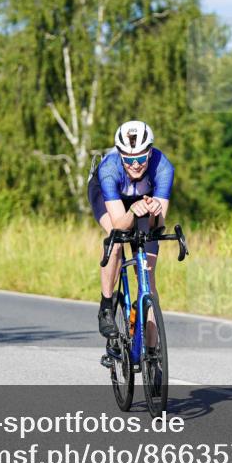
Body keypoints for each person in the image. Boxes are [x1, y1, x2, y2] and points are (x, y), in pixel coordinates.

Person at [87, 120, 174, 340]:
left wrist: (154, 212)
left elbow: (159, 226)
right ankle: (106, 306)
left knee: (148, 279)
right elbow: (119, 224)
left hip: (141, 202)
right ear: (120, 155)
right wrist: (133, 212)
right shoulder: (109, 169)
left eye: (141, 158)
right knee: (115, 240)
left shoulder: (163, 167)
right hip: (109, 197)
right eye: (128, 158)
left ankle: (153, 354)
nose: (135, 164)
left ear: (150, 152)